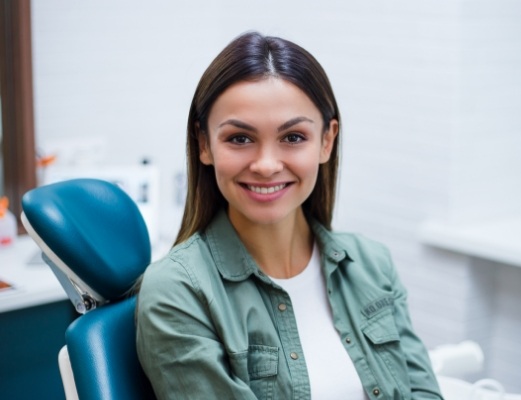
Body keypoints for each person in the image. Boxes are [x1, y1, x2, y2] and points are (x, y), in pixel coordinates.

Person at [135, 31, 443, 400]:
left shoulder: (372, 264)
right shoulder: (177, 292)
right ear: (204, 144)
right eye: (239, 138)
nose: (266, 165)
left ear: (326, 141)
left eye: (293, 137)